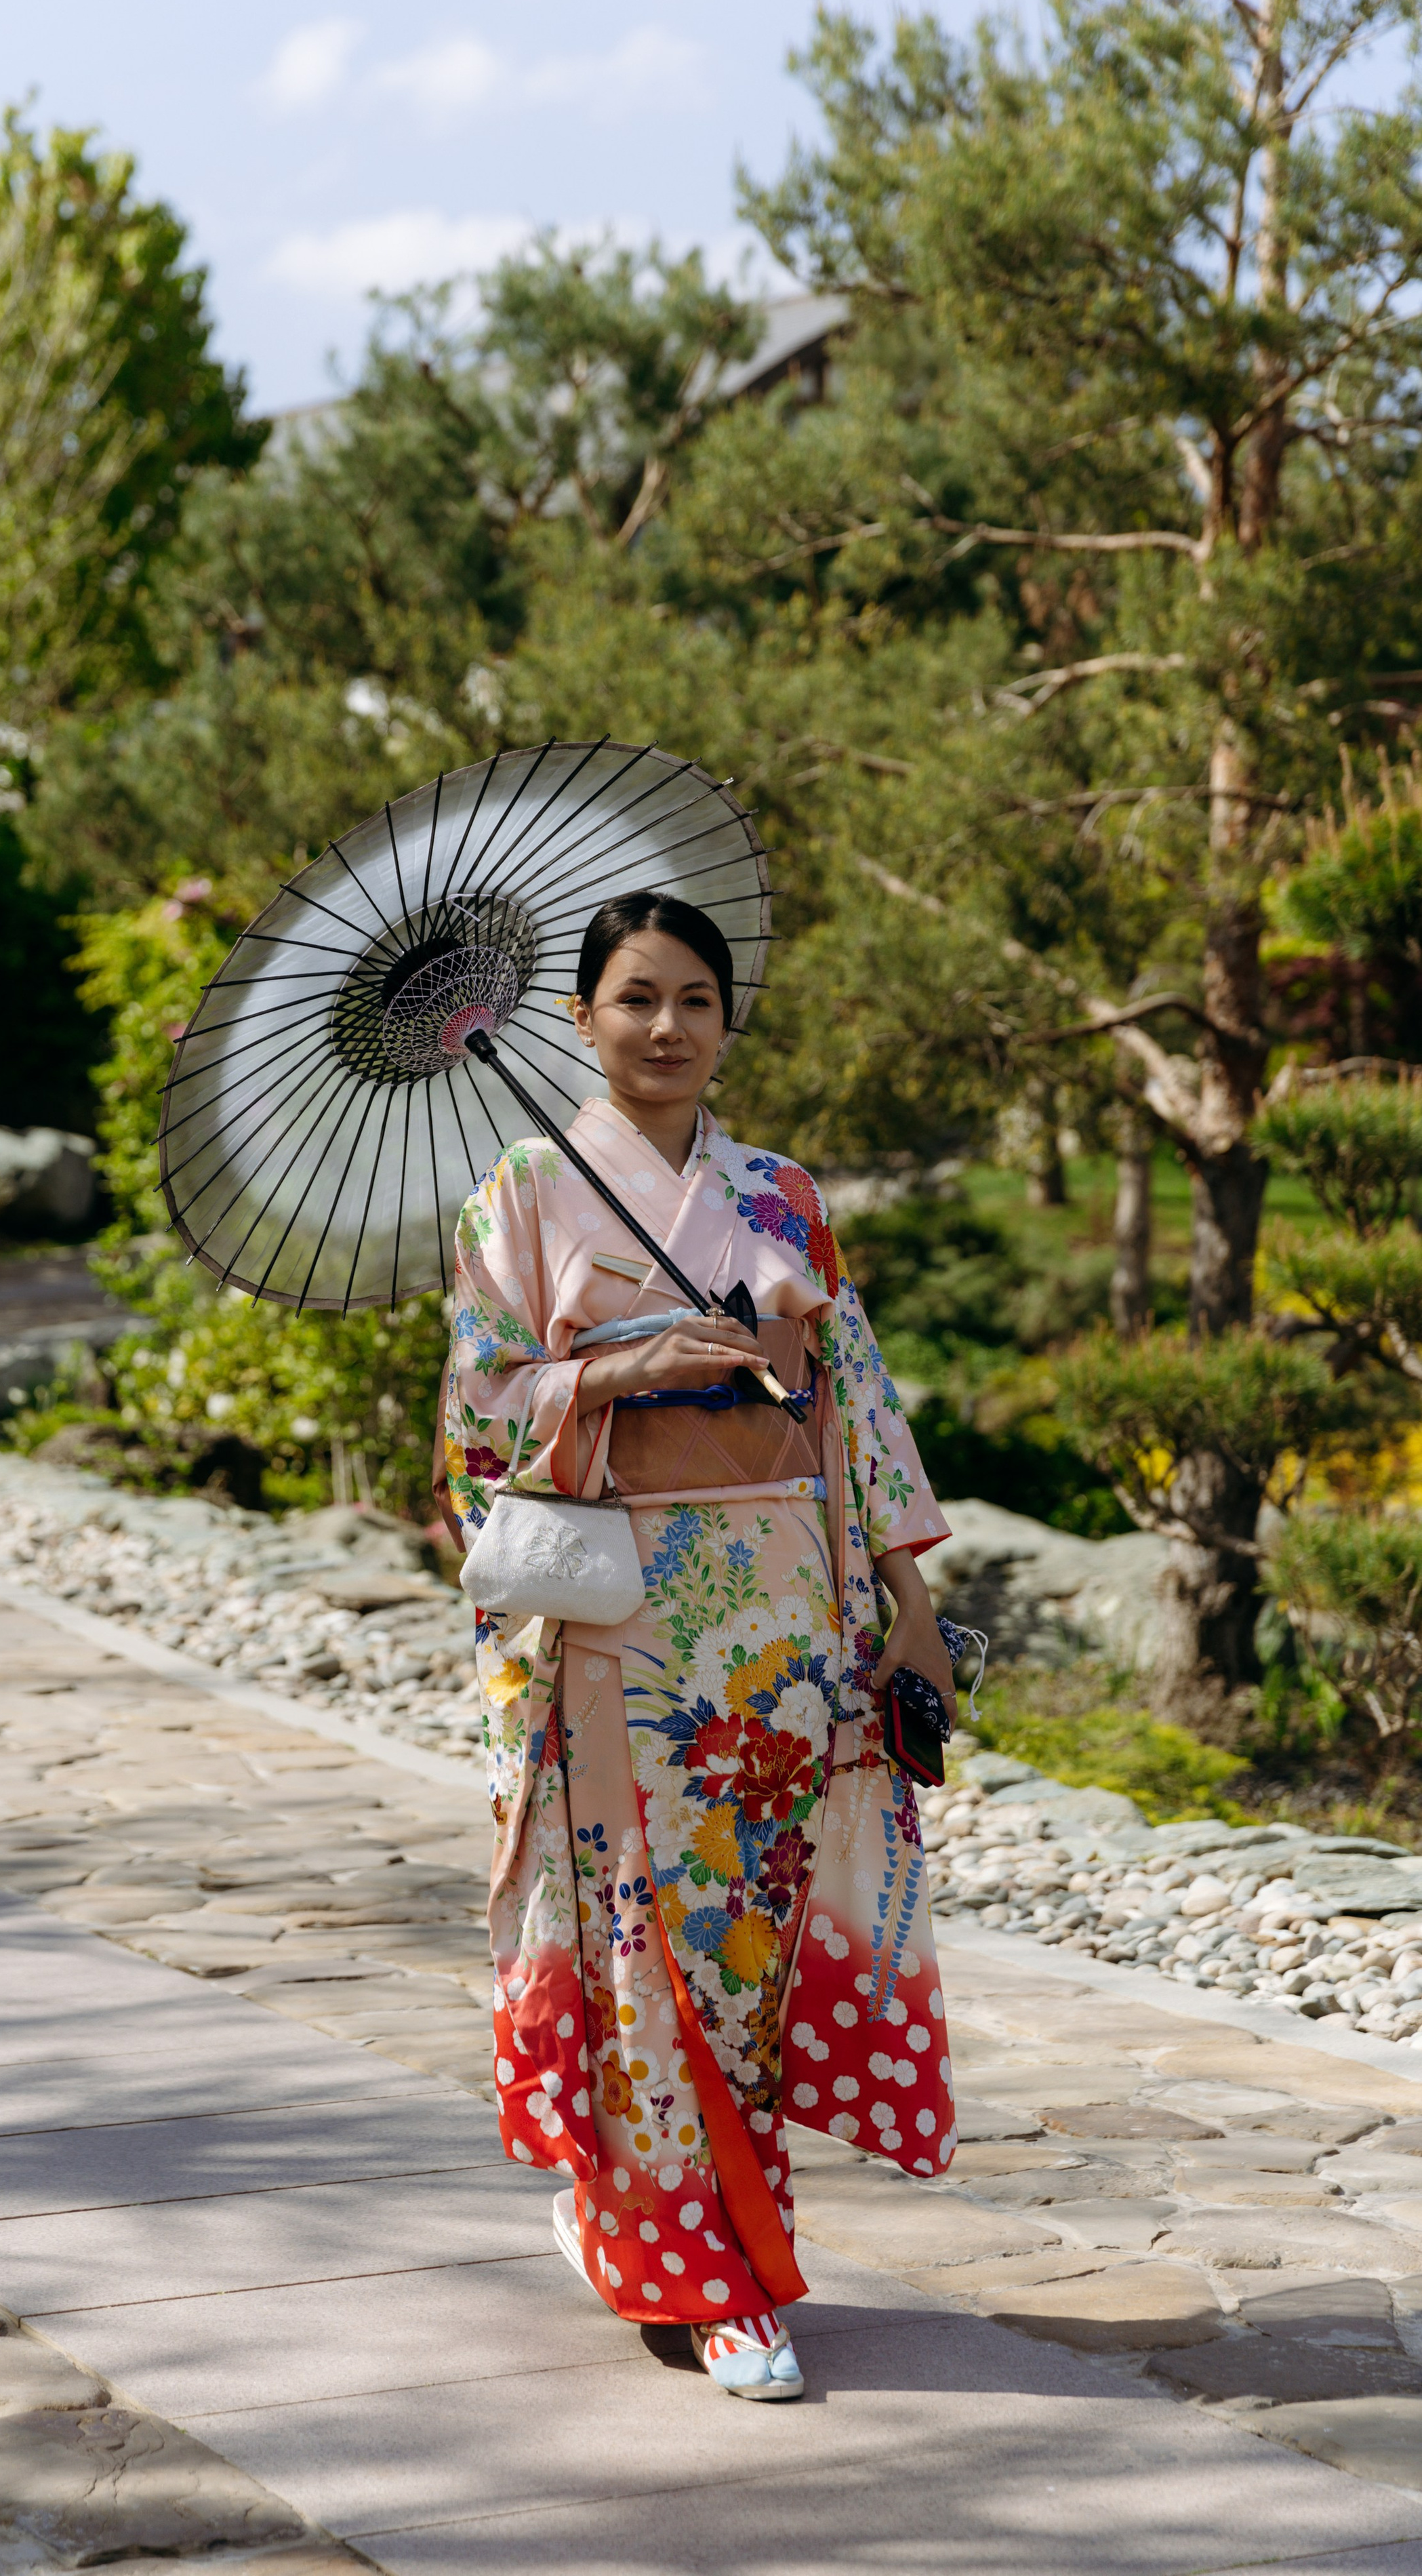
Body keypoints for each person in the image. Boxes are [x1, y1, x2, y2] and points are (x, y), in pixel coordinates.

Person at [441, 890, 957, 2402]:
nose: (664, 1029)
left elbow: (853, 1403)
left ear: (727, 1022)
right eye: (632, 999)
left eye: (693, 1003)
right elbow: (475, 1408)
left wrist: (908, 1607)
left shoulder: (781, 1193)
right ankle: (704, 2280)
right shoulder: (520, 1192)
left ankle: (653, 2218)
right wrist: (615, 1373)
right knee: (637, 1943)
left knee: (748, 1944)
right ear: (582, 1019)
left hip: (787, 1614)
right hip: (620, 1617)